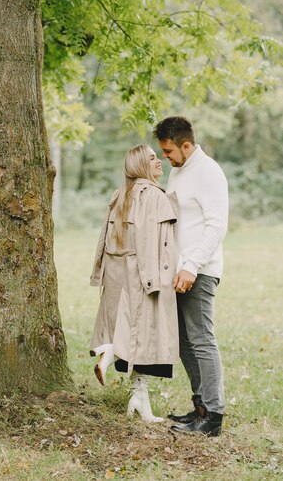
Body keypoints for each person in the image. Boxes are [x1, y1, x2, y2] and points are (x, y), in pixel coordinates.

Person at [89, 144, 179, 422]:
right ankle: (112, 353)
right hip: (143, 276)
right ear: (141, 165)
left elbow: (104, 239)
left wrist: (99, 272)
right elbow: (156, 242)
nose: (159, 162)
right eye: (153, 158)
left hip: (118, 275)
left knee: (139, 340)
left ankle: (139, 401)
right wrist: (161, 278)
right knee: (145, 337)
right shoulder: (153, 196)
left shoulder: (121, 195)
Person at [153, 116, 228, 437]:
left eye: (169, 151)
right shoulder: (178, 171)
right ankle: (200, 407)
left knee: (201, 340)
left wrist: (192, 266)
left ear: (186, 145)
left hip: (199, 270)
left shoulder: (208, 172)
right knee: (184, 342)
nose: (165, 157)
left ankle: (213, 416)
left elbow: (216, 225)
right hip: (179, 271)